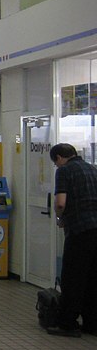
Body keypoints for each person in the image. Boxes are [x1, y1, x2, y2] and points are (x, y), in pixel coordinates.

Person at [47, 143, 97, 337]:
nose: (57, 166)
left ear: (59, 158)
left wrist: (60, 217)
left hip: (80, 229)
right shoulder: (93, 169)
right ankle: (92, 323)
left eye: (55, 163)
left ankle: (67, 323)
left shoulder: (65, 171)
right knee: (92, 277)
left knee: (73, 277)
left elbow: (61, 202)